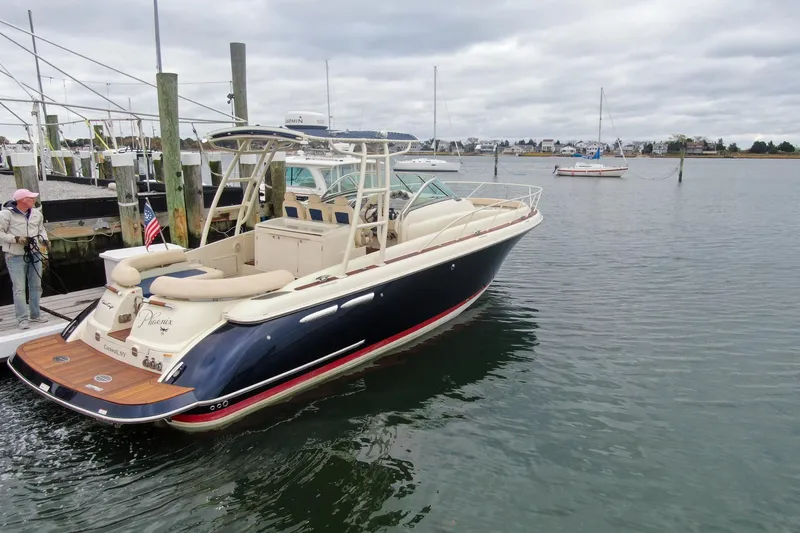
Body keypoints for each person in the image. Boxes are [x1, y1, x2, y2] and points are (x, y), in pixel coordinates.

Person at [0, 188, 50, 329]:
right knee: (19, 289)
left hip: (34, 253)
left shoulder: (36, 214)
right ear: (22, 200)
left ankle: (36, 314)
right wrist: (15, 239)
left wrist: (45, 240)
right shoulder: (5, 215)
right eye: (31, 198)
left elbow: (41, 230)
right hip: (14, 256)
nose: (34, 200)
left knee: (36, 286)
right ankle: (22, 319)